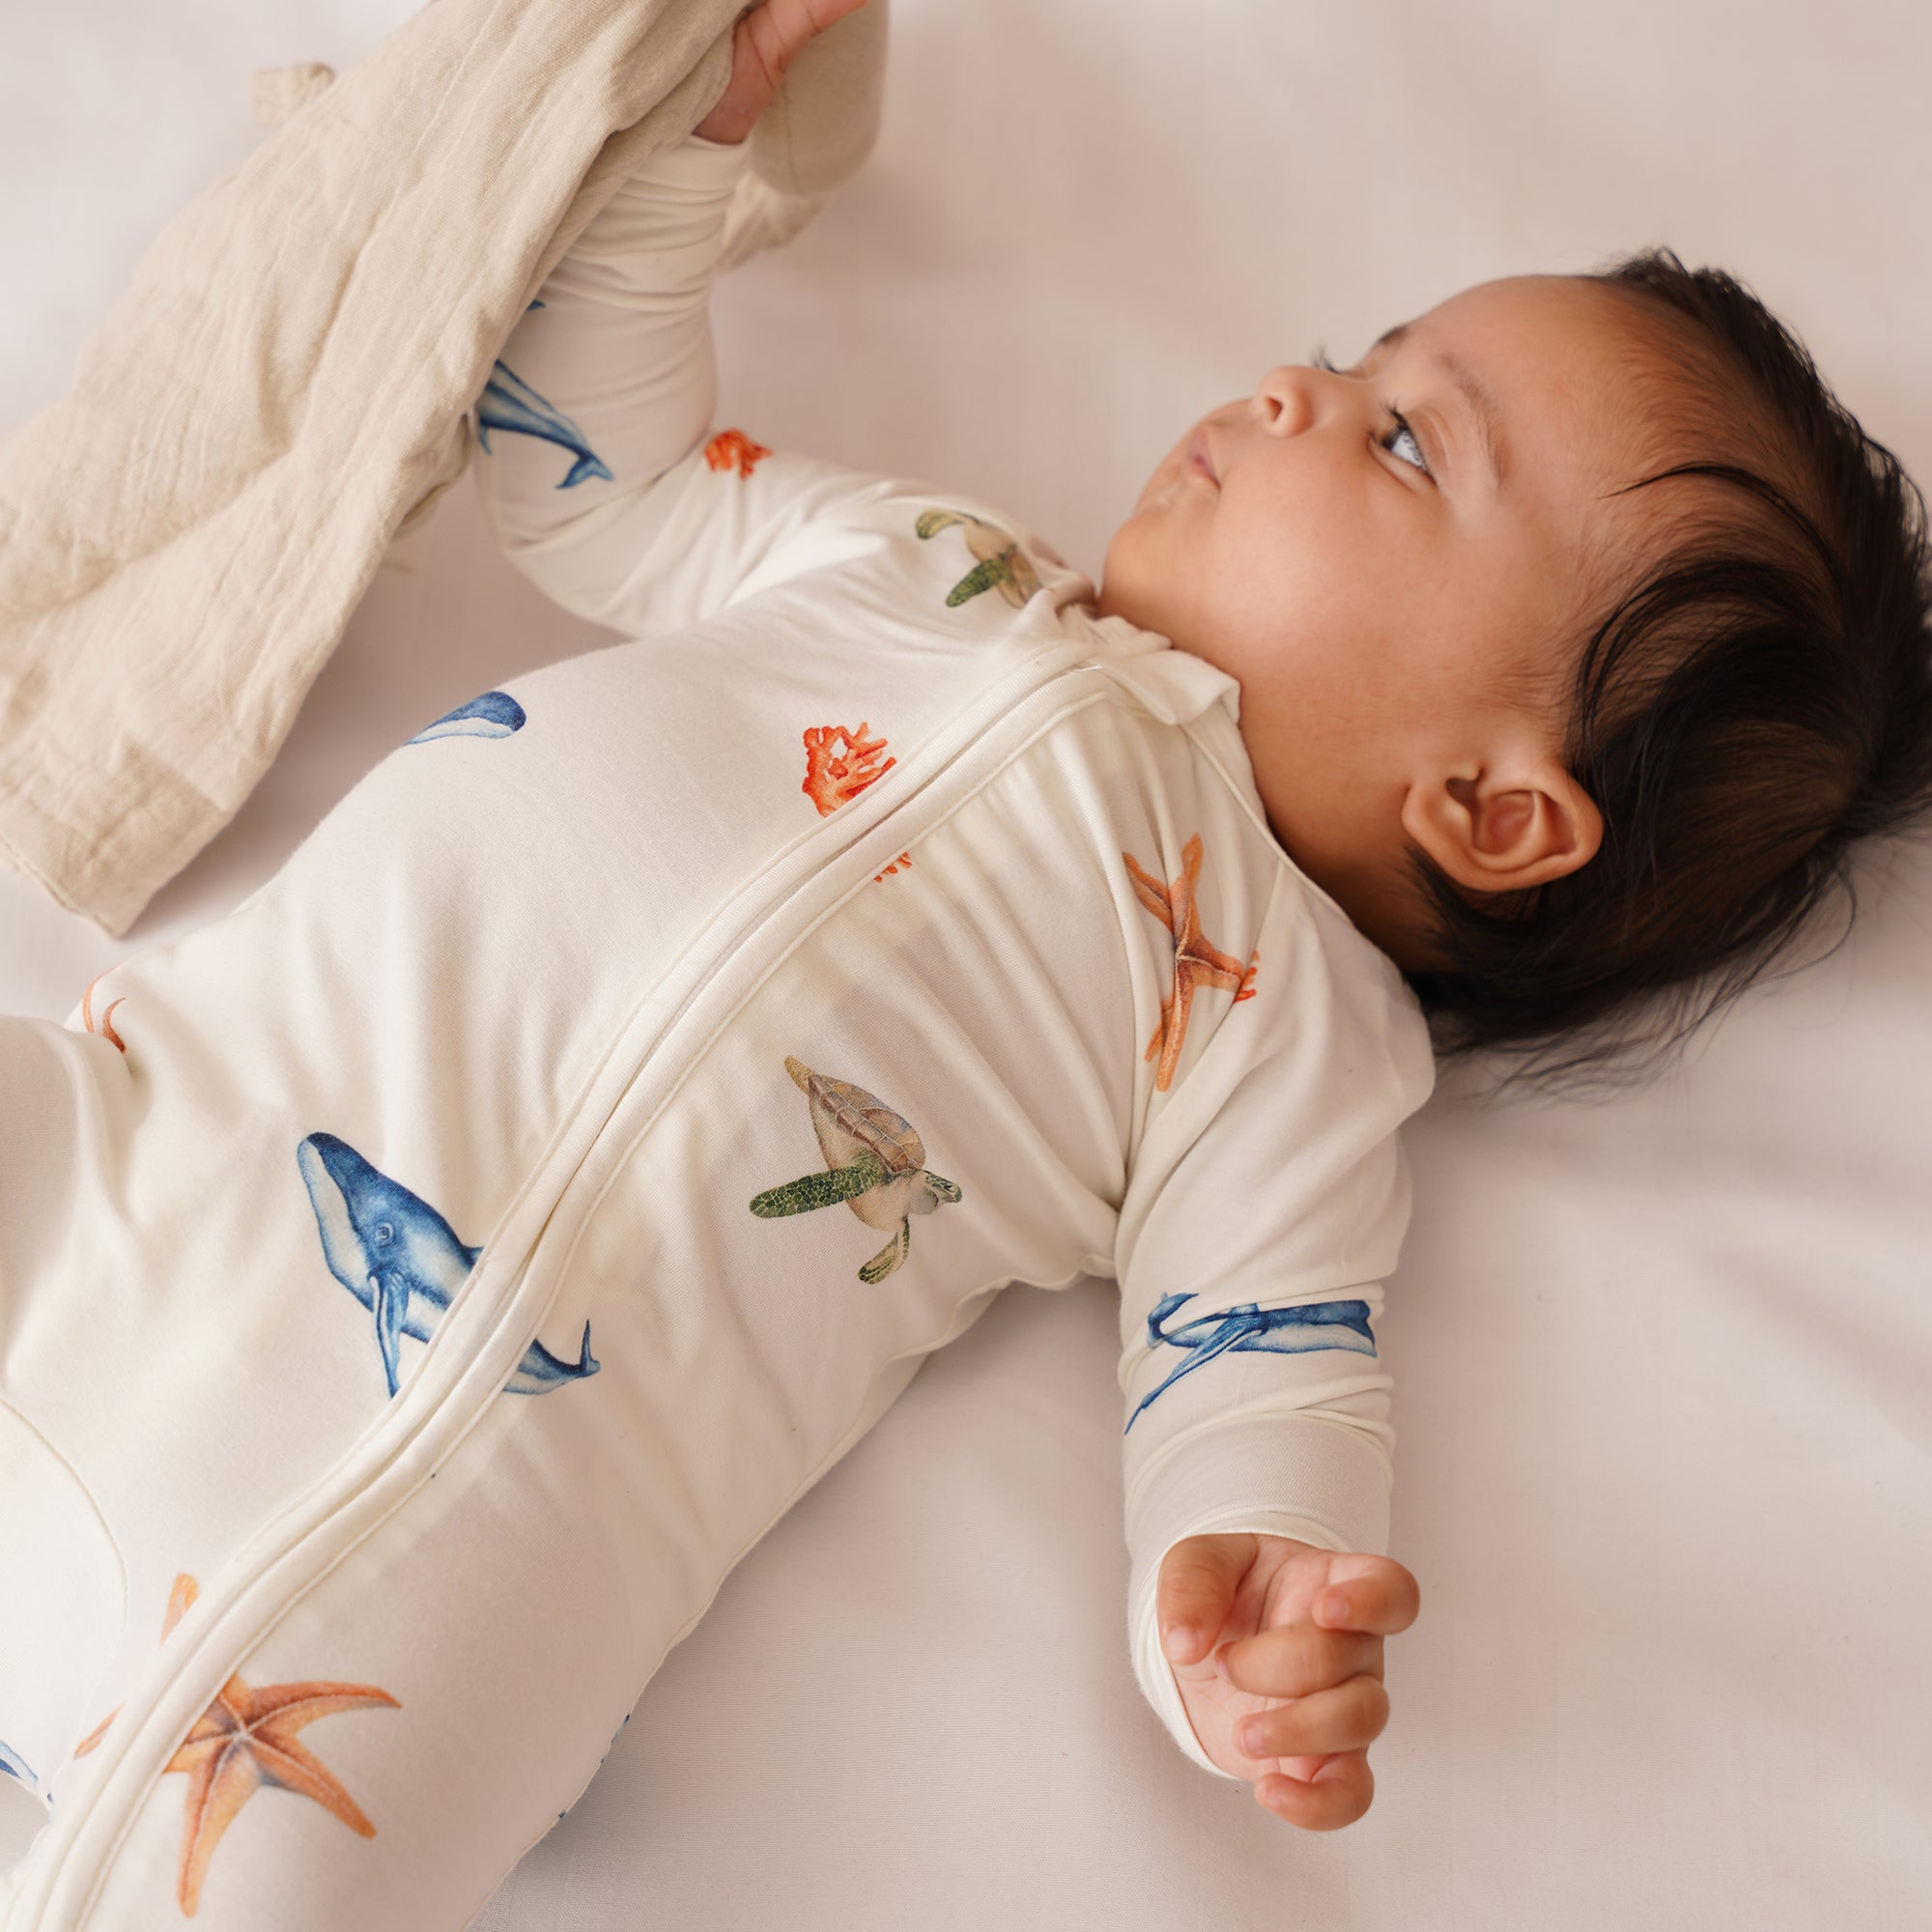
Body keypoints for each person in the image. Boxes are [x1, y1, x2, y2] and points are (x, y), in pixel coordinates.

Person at [4, 0, 1928, 1921]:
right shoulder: (928, 558)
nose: (1287, 387)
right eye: (1355, 359)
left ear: (1492, 811)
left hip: (490, 1547)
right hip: (152, 1147)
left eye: (1405, 441)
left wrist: (1254, 1584)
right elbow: (602, 487)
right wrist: (680, 161)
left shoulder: (1279, 1029)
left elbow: (1259, 1355)